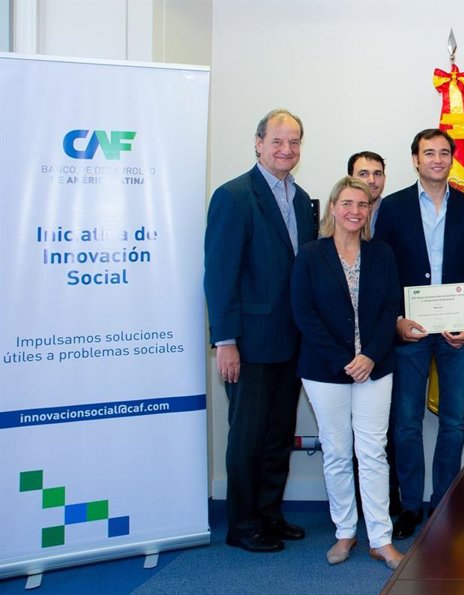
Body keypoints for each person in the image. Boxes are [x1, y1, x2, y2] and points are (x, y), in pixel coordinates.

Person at [204, 108, 315, 553]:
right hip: (249, 343)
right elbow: (220, 275)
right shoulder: (233, 196)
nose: (286, 149)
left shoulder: (301, 199)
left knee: (277, 435)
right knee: (248, 437)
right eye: (277, 141)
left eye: (294, 142)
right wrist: (225, 341)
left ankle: (270, 514)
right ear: (258, 143)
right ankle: (243, 524)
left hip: (292, 342)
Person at [373, 129, 464, 538]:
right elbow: (382, 270)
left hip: (458, 332)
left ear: (452, 159)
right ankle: (409, 505)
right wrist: (395, 320)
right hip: (411, 331)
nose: (437, 159)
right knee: (406, 422)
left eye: (443, 153)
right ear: (415, 160)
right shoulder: (393, 207)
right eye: (429, 153)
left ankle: (443, 502)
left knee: (453, 422)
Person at [291, 177, 403, 569]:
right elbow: (304, 312)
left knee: (372, 452)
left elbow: (391, 308)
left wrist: (369, 355)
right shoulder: (310, 254)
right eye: (348, 203)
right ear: (333, 208)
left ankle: (381, 539)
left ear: (370, 211)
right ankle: (345, 532)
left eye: (363, 204)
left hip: (375, 367)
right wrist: (344, 359)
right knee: (337, 452)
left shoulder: (382, 253)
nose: (355, 211)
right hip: (325, 369)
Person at [347, 151, 387, 230]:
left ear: (384, 178)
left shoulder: (396, 214)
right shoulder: (337, 215)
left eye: (377, 174)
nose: (372, 180)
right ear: (350, 179)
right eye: (363, 174)